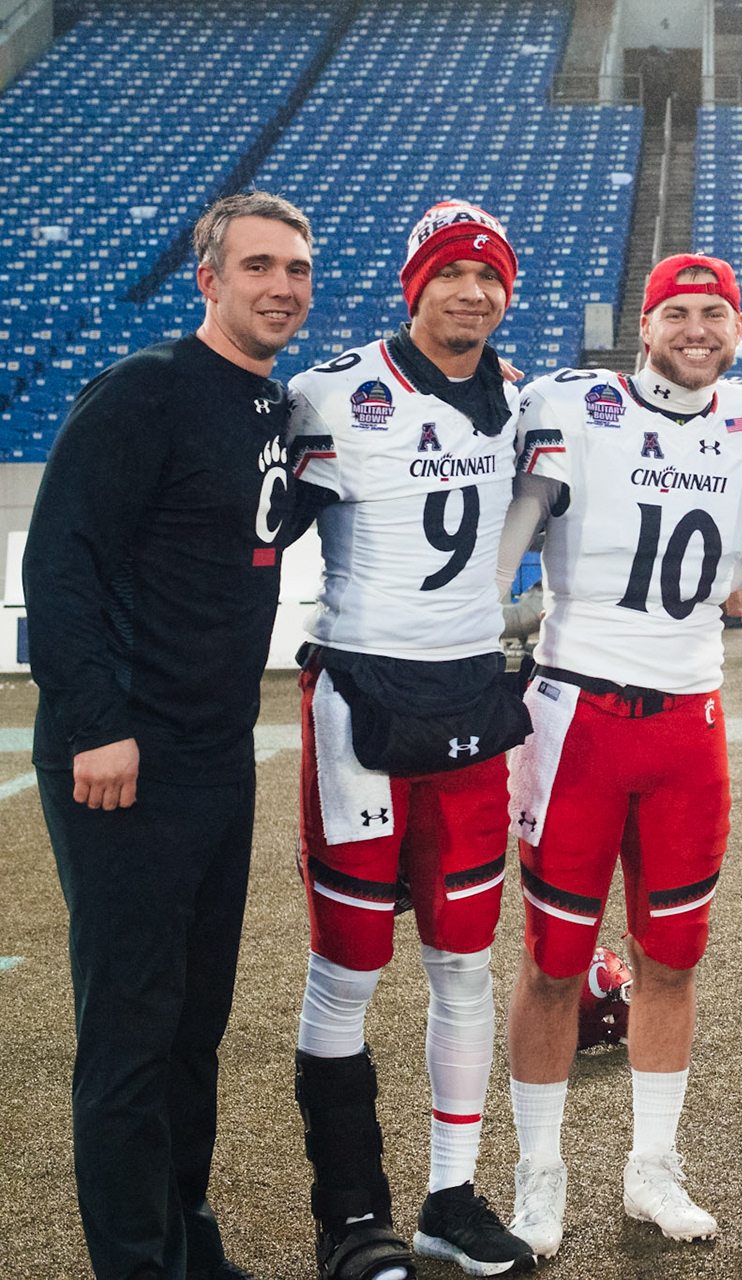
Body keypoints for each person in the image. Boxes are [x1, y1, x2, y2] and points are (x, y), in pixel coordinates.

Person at [497, 252, 742, 1258]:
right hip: (577, 713)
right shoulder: (574, 402)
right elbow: (512, 522)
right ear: (645, 324)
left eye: (715, 312)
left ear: (739, 327)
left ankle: (653, 1165)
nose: (696, 328)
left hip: (689, 719)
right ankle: (539, 1172)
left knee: (671, 959)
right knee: (553, 961)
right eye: (678, 311)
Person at [25, 190, 311, 1280]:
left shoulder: (272, 408)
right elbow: (60, 562)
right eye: (258, 267)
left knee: (195, 1029)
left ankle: (187, 1246)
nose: (281, 286)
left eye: (296, 269)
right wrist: (97, 723)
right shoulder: (144, 389)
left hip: (216, 755)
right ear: (209, 280)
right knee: (132, 1032)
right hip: (126, 759)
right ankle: (135, 1266)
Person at [283, 200, 535, 1279]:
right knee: (347, 967)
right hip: (361, 705)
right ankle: (350, 1214)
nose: (471, 292)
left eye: (490, 278)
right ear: (414, 286)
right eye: (450, 275)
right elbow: (251, 535)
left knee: (465, 964)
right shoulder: (331, 393)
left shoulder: (522, 400)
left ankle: (449, 1199)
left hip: (473, 701)